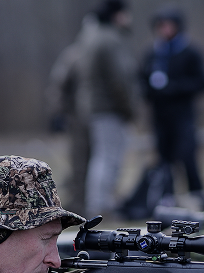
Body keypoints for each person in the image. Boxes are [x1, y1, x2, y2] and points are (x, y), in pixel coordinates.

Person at [77, 0, 138, 218]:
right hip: (110, 109)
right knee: (108, 158)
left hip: (97, 108)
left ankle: (100, 204)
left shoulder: (93, 37)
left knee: (102, 157)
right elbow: (119, 81)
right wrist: (130, 109)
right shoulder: (110, 40)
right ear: (117, 15)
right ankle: (101, 206)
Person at [139, 5, 204, 195]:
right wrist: (152, 90)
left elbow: (203, 83)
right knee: (163, 159)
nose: (165, 30)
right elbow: (141, 81)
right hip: (160, 115)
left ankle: (198, 195)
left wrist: (175, 87)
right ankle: (166, 199)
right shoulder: (152, 53)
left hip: (183, 113)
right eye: (161, 26)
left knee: (187, 156)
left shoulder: (190, 52)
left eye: (169, 25)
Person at [46, 14, 98, 214]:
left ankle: (93, 202)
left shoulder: (97, 55)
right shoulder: (74, 55)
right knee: (79, 162)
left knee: (97, 163)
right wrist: (56, 113)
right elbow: (58, 85)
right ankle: (78, 203)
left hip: (98, 119)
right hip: (77, 119)